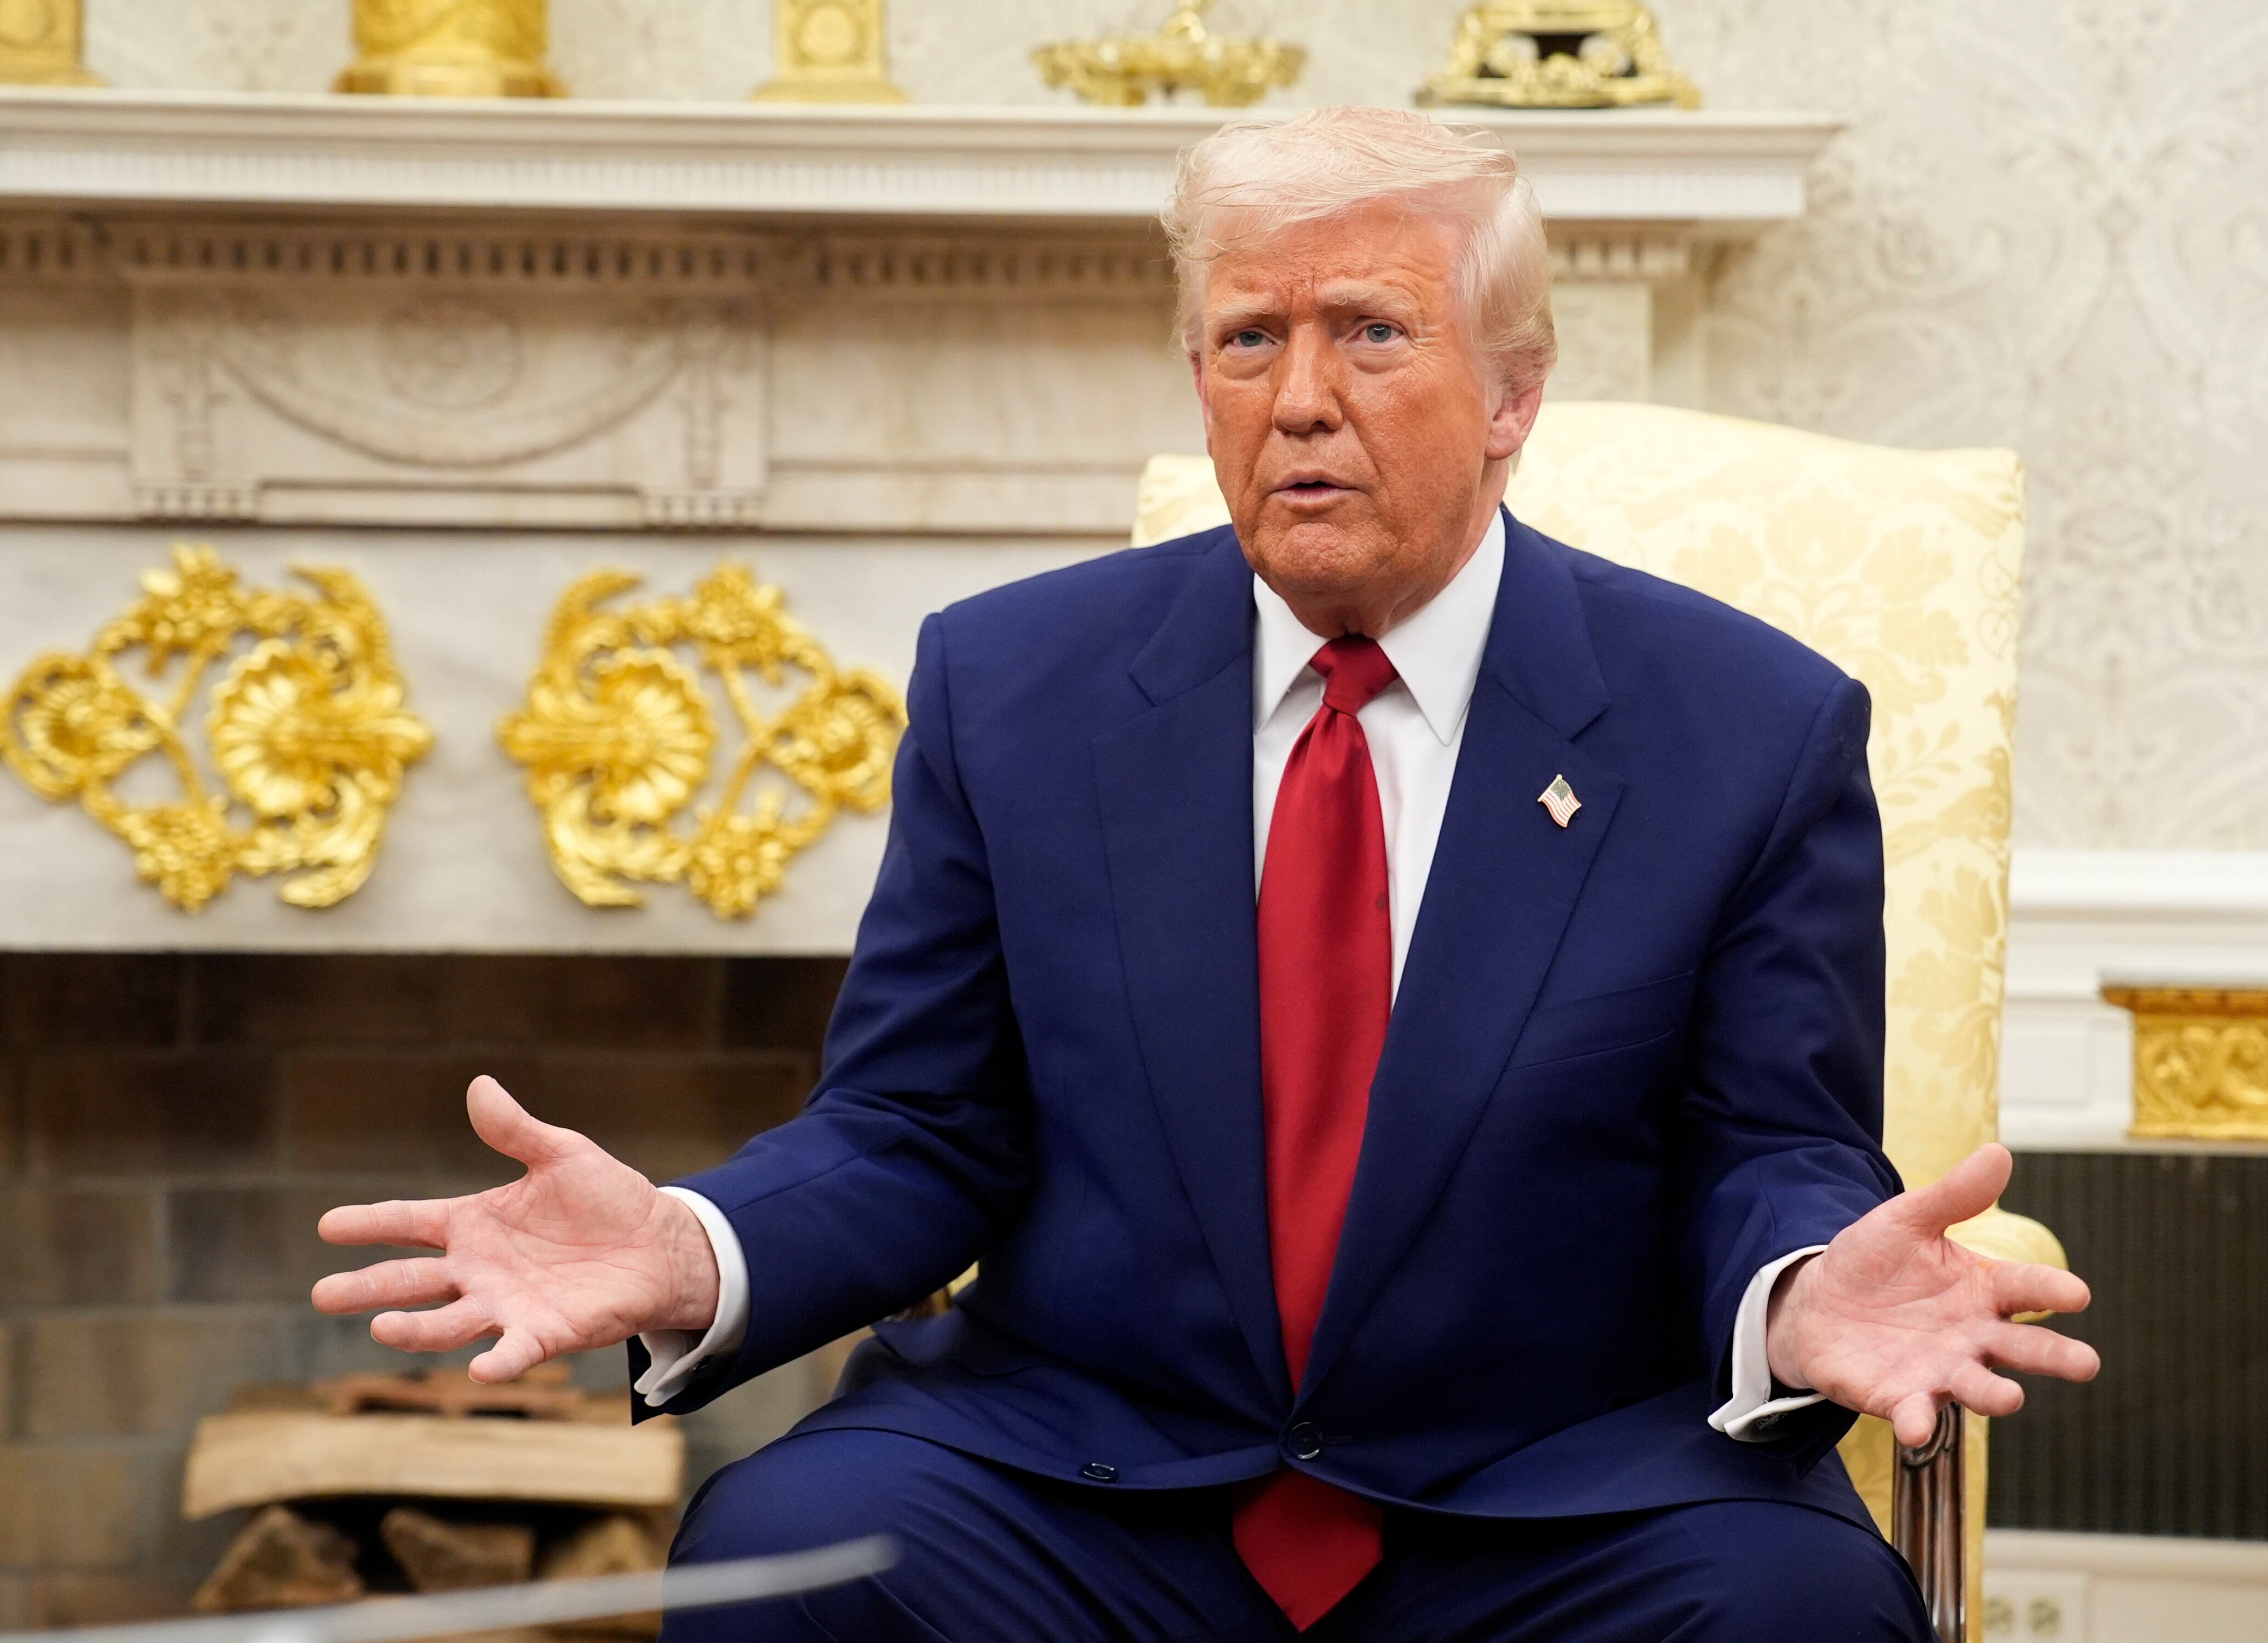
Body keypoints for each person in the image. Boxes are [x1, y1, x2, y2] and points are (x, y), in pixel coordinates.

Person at [313, 107, 2098, 1641]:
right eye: (1249, 340)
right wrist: (697, 1250)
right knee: (786, 1560)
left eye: (1372, 334)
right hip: (1089, 1468)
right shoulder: (1011, 685)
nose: (1300, 398)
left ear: (1513, 396)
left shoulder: (1744, 724)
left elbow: (1766, 1146)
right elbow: (920, 1127)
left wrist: (1798, 1291)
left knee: (1790, 1611)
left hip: (1558, 1485)